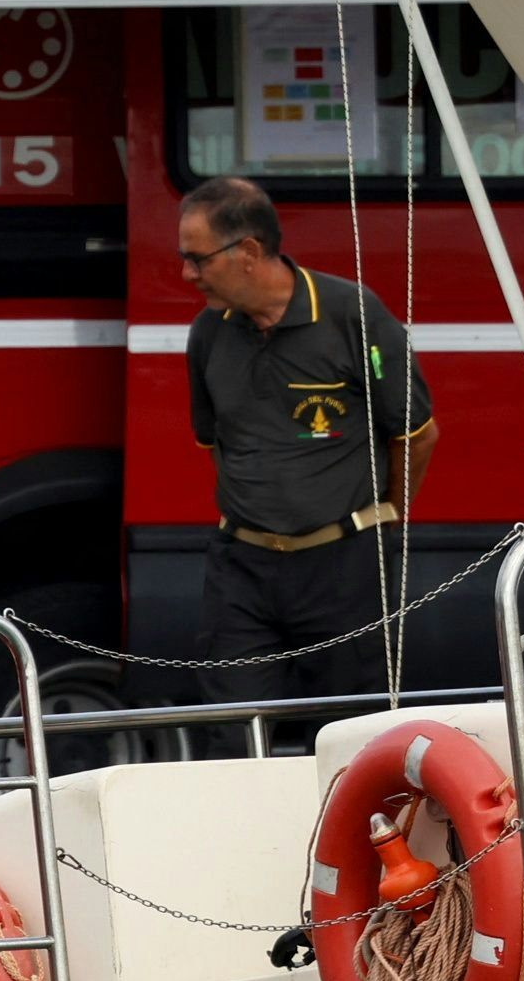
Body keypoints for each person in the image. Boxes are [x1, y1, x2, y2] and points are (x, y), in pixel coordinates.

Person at [176, 176, 435, 726]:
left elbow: (415, 434)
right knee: (231, 740)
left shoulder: (354, 313)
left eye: (198, 259)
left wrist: (385, 518)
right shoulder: (206, 334)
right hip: (240, 570)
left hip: (345, 568)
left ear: (248, 251)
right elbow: (214, 444)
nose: (188, 275)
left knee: (352, 739)